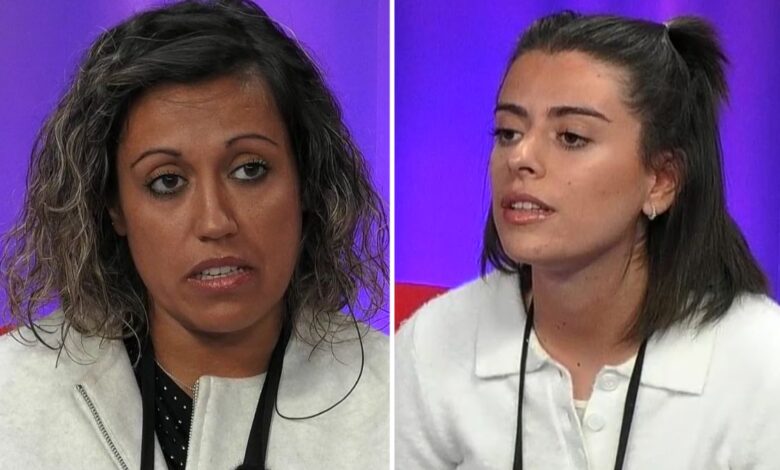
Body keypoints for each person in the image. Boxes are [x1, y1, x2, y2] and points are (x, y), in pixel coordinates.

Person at [0, 1, 388, 469]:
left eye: (249, 170)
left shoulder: (397, 400)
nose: (214, 221)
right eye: (167, 181)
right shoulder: (12, 395)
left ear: (306, 182)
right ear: (113, 207)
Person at [396, 11, 780, 470]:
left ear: (662, 180)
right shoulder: (435, 341)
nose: (520, 157)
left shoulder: (759, 358)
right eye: (508, 132)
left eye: (571, 137)